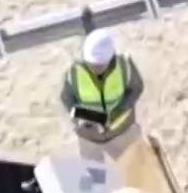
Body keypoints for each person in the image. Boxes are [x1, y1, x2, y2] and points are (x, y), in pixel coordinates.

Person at [60, 29, 145, 160]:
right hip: (89, 135)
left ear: (110, 58)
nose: (96, 68)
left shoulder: (124, 65)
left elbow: (136, 88)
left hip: (121, 130)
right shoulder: (74, 71)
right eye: (92, 64)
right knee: (94, 171)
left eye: (100, 65)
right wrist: (81, 118)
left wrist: (119, 110)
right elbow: (66, 98)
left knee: (131, 166)